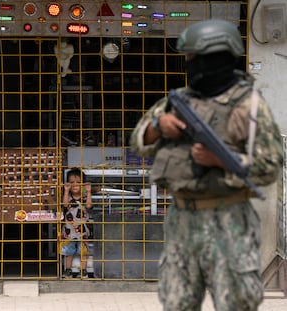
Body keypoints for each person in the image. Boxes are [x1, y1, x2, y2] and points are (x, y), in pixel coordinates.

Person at [130, 19, 283, 311]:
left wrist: (222, 160)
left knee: (236, 304)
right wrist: (158, 125)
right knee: (177, 303)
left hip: (230, 220)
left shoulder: (248, 106)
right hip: (182, 219)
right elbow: (139, 141)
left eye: (193, 59)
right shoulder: (178, 101)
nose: (189, 65)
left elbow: (270, 166)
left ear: (216, 58)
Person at [60, 168, 92, 278]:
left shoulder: (84, 196)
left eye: (78, 182)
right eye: (72, 182)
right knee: (69, 251)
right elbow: (64, 205)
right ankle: (68, 270)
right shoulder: (68, 197)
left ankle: (83, 271)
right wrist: (66, 191)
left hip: (83, 230)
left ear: (83, 184)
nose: (75, 185)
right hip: (69, 230)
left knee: (83, 251)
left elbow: (88, 205)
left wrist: (88, 192)